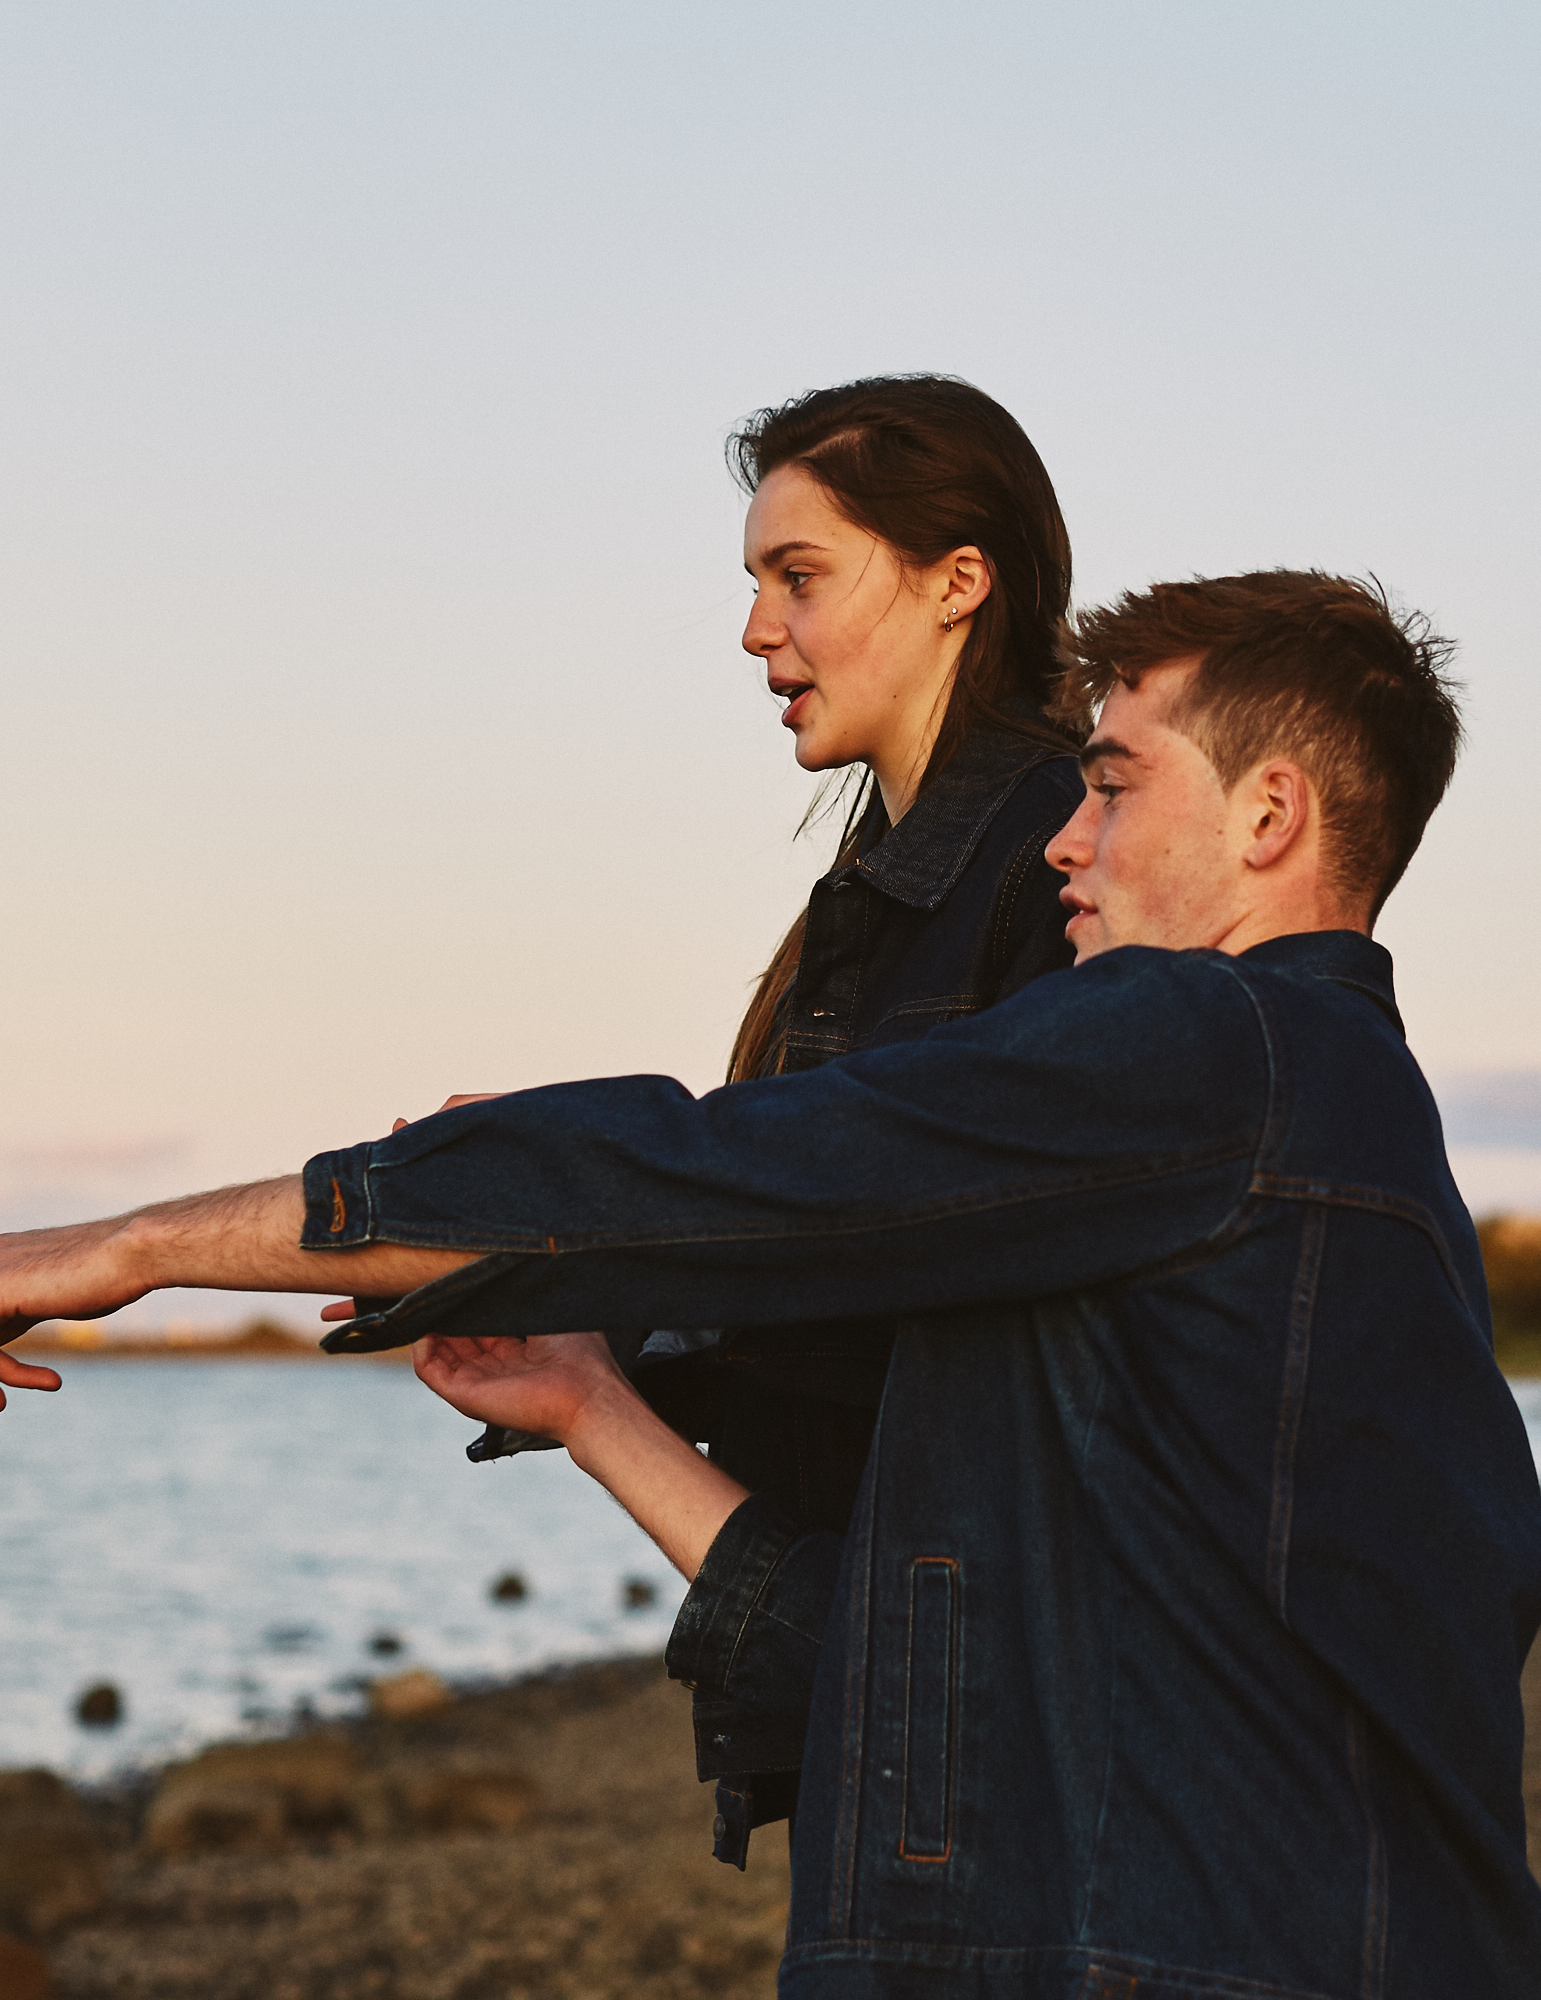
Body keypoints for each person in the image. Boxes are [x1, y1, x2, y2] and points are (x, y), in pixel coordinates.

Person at [0, 569, 1541, 1997]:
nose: (1065, 839)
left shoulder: (1220, 1044)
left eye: (1115, 784)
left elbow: (702, 1166)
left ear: (1273, 812)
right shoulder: (1266, 1160)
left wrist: (139, 1247)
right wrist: (597, 1410)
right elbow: (919, 1675)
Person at [472, 374, 1092, 1857]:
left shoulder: (1049, 862)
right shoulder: (886, 889)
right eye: (756, 583)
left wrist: (579, 1203)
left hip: (980, 1699)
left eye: (797, 576)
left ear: (958, 583)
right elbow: (824, 1269)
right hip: (887, 1674)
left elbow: (938, 1273)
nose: (759, 630)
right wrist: (577, 1303)